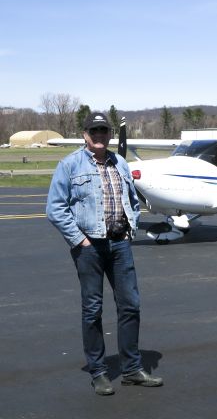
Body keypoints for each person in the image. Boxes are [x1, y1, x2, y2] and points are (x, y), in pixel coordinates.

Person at [46, 112, 163, 396]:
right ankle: (98, 371)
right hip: (90, 247)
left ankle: (132, 369)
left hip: (119, 244)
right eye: (94, 131)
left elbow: (133, 200)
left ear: (109, 134)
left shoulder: (119, 162)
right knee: (92, 310)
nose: (99, 135)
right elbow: (55, 208)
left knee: (130, 305)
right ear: (85, 134)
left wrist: (129, 228)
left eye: (104, 131)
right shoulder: (70, 164)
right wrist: (80, 240)